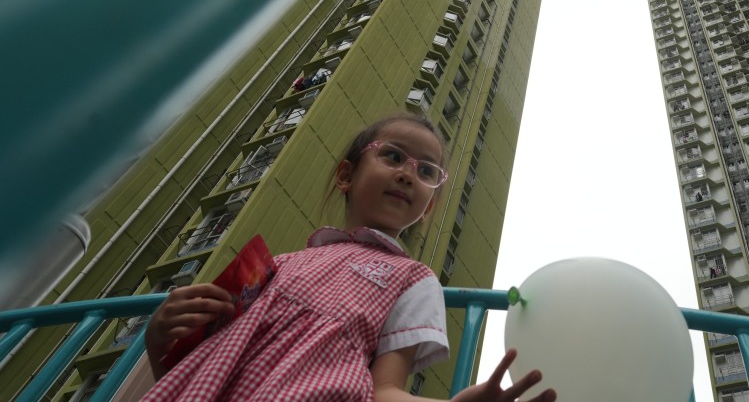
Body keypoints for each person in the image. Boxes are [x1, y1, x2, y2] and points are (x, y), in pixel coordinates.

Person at [141, 113, 555, 402]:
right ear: (345, 176)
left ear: (427, 208)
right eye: (393, 156)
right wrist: (158, 338)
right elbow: (199, 375)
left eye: (427, 171)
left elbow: (385, 392)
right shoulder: (277, 264)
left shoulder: (413, 278)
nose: (408, 173)